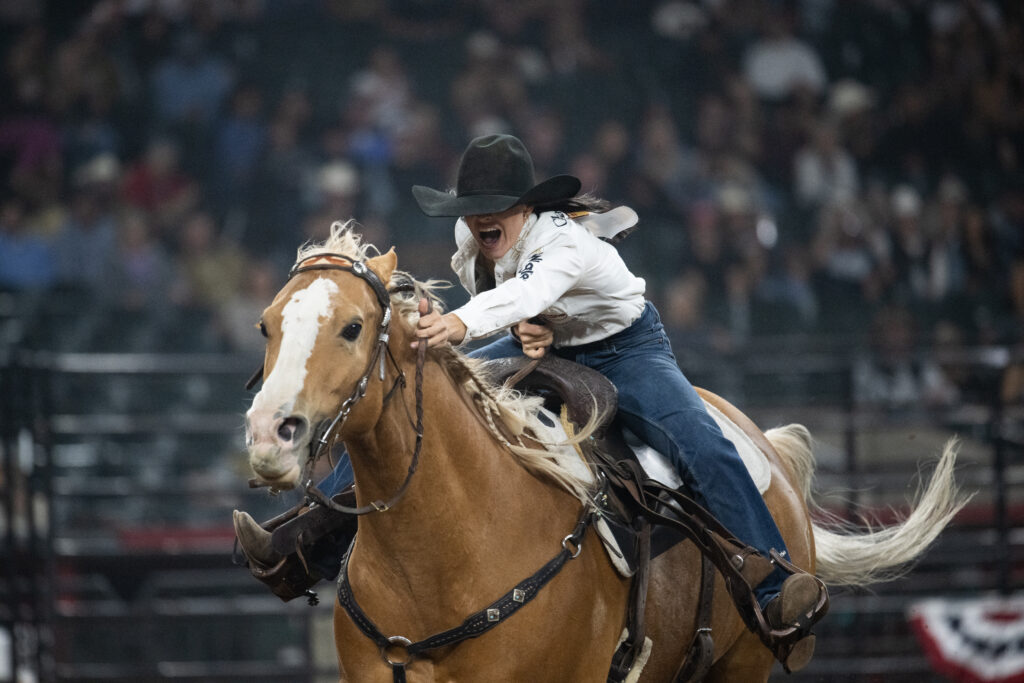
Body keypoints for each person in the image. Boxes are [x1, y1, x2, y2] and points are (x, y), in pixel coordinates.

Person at [236, 134, 826, 670]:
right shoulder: (471, 237)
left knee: (698, 438)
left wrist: (466, 325)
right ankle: (308, 541)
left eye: (499, 205)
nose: (482, 217)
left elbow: (528, 289)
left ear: (529, 207)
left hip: (624, 348)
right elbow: (520, 303)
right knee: (409, 395)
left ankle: (774, 587)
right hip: (535, 338)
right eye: (474, 207)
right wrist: (529, 330)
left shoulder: (564, 240)